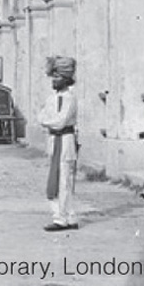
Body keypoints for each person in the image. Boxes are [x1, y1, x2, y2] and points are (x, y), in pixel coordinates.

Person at [39, 56, 80, 231]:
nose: (54, 81)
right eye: (53, 77)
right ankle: (70, 217)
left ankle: (61, 219)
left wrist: (49, 121)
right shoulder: (51, 98)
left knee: (64, 181)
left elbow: (61, 122)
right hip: (53, 140)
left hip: (65, 141)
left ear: (66, 79)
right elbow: (40, 116)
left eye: (57, 77)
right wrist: (49, 121)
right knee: (57, 179)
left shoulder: (70, 99)